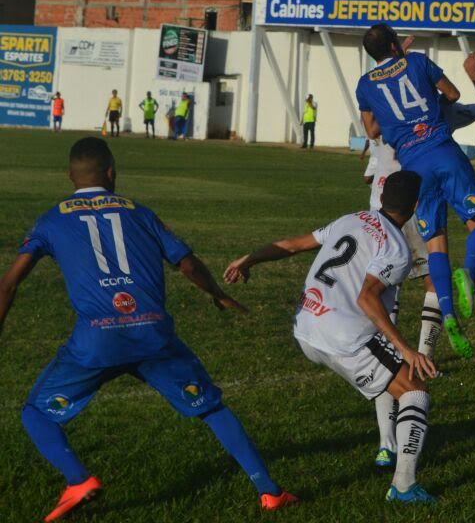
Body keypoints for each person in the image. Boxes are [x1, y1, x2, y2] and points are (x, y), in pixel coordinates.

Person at [0, 138, 296, 520]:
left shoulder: (51, 219)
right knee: (211, 407)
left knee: (35, 414)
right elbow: (187, 264)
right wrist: (218, 295)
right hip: (152, 334)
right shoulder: (140, 212)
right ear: (112, 173)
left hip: (98, 340)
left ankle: (78, 479)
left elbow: (9, 283)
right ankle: (270, 492)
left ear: (70, 176)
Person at [224, 171, 437, 503]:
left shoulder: (350, 219)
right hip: (343, 335)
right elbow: (367, 298)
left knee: (390, 378)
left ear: (381, 197)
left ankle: (388, 445)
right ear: (415, 206)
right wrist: (406, 349)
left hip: (306, 326)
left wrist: (249, 258)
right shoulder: (397, 247)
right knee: (415, 391)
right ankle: (404, 486)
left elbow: (293, 246)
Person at [355, 23, 475, 360]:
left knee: (429, 249)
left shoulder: (366, 86)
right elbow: (455, 96)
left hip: (406, 177)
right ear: (394, 44)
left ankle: (445, 316)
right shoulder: (418, 63)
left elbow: (371, 129)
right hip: (440, 149)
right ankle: (469, 277)